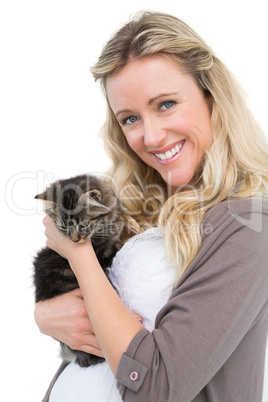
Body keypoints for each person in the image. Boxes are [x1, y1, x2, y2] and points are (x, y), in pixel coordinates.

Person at [34, 11, 268, 402]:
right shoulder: (141, 205)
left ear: (212, 97)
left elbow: (157, 387)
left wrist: (77, 254)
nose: (151, 136)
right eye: (130, 118)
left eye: (166, 104)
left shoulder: (248, 224)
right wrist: (50, 316)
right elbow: (105, 317)